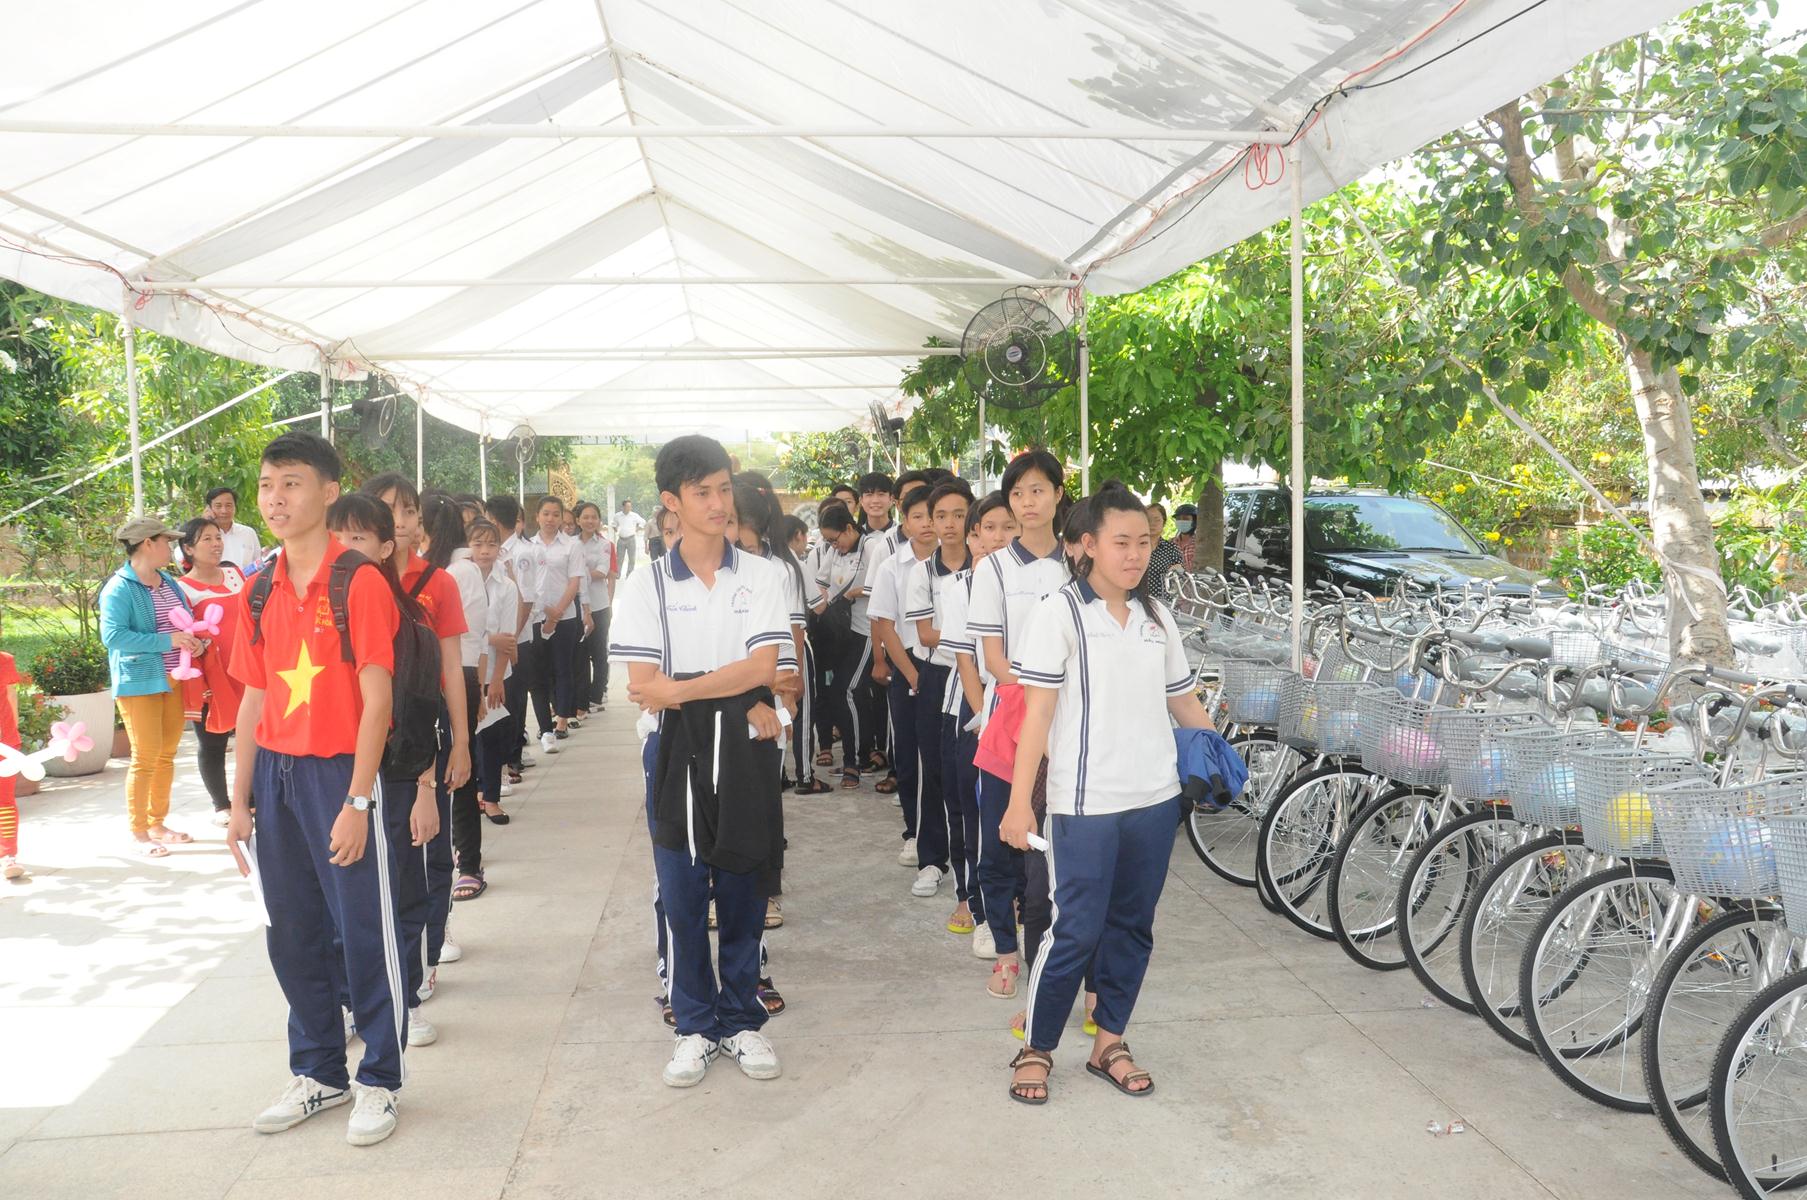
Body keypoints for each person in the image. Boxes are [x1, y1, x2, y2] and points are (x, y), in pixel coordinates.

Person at [999, 483, 1217, 1104]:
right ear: (1089, 545)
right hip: (1084, 804)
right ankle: (1037, 1047)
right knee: (1074, 929)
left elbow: (1182, 700)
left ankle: (1109, 1043)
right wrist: (1019, 803)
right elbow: (1036, 716)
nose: (1135, 554)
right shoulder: (1060, 613)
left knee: (1132, 926)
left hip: (1154, 800)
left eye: (1144, 541)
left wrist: (1219, 758)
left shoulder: (1157, 617)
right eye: (1121, 542)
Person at [224, 431, 408, 1146]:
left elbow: (378, 699)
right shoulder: (257, 587)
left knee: (363, 931)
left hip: (339, 774)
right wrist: (239, 803)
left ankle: (379, 1079)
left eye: (292, 483)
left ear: (329, 492)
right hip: (275, 776)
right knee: (292, 932)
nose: (275, 498)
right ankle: (319, 1072)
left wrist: (358, 801)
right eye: (267, 484)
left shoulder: (356, 580)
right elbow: (252, 697)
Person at [612, 435, 792, 1089]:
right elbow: (643, 686)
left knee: (744, 887)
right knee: (683, 893)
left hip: (744, 748)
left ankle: (741, 1019)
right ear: (671, 501)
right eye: (702, 492)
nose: (718, 503)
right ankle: (693, 1025)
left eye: (723, 489)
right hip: (674, 748)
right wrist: (732, 690)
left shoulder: (763, 575)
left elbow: (763, 667)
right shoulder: (647, 585)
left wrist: (684, 688)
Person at [324, 495, 444, 1050]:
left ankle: (406, 999)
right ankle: (351, 1000)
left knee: (399, 893)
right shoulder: (311, 611)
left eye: (358, 539)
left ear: (385, 548)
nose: (344, 551)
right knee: (339, 897)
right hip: (331, 772)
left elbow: (421, 708)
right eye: (337, 538)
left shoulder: (409, 619)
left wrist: (425, 788)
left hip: (392, 776)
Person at [965, 449, 1069, 999]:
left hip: (1070, 725)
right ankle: (1006, 955)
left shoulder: (1080, 562)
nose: (1028, 502)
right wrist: (1044, 689)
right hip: (1011, 721)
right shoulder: (994, 568)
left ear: (1058, 493)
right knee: (1001, 845)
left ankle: (1052, 964)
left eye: (1038, 490)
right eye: (1018, 493)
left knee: (1053, 854)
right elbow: (994, 659)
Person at [937, 491, 1015, 952]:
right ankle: (976, 904)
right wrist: (987, 717)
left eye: (1008, 528)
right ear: (974, 536)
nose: (997, 538)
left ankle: (1015, 902)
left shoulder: (1039, 580)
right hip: (978, 707)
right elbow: (967, 661)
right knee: (972, 807)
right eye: (988, 529)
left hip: (1027, 705)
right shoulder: (961, 587)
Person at [99, 514, 203, 857]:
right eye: (166, 541)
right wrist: (167, 641)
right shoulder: (119, 588)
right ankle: (139, 832)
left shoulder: (168, 582)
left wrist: (193, 641)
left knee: (166, 755)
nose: (171, 548)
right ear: (148, 543)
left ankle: (158, 824)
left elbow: (184, 622)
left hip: (173, 678)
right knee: (145, 757)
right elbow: (113, 636)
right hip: (138, 682)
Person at [903, 478, 975, 903]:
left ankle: (973, 864)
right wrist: (971, 638)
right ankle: (932, 859)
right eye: (941, 515)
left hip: (978, 678)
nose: (949, 524)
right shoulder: (922, 572)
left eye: (959, 515)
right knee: (932, 769)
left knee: (967, 773)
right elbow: (925, 634)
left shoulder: (985, 566)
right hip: (937, 677)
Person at [867, 483, 939, 866]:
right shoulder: (891, 567)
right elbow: (885, 624)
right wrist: (910, 674)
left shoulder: (960, 562)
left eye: (933, 515)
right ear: (905, 522)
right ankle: (914, 833)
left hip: (953, 667)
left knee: (945, 758)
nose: (927, 523)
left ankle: (949, 835)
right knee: (910, 759)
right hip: (909, 666)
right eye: (918, 516)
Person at [176, 517, 249, 826]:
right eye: (206, 539)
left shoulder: (235, 574)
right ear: (188, 548)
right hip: (211, 674)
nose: (216, 544)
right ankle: (221, 804)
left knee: (253, 736)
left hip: (247, 669)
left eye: (218, 537)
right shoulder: (182, 588)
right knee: (212, 741)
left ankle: (251, 799)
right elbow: (182, 630)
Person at [461, 519, 520, 864]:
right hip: (464, 669)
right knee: (468, 736)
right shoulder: (457, 578)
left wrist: (497, 679)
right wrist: (489, 638)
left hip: (495, 671)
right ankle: (473, 793)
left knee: (493, 735)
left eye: (491, 545)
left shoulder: (506, 586)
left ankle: (492, 798)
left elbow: (507, 638)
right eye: (478, 544)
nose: (484, 551)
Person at [522, 496, 584, 755]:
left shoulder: (572, 545)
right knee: (539, 673)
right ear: (537, 516)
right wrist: (546, 612)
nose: (550, 519)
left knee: (562, 668)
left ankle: (561, 720)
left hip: (565, 617)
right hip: (536, 618)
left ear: (562, 518)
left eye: (555, 514)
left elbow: (574, 581)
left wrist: (557, 613)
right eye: (546, 513)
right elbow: (527, 585)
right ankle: (544, 726)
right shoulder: (528, 546)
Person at [813, 502, 868, 790]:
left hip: (866, 631)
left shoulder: (872, 547)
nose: (835, 546)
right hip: (840, 633)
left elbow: (881, 586)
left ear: (849, 528)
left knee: (845, 691)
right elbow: (821, 584)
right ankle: (855, 756)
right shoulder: (834, 552)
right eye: (829, 542)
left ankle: (854, 762)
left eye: (835, 540)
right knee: (839, 694)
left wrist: (852, 594)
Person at [573, 501, 618, 717]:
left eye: (594, 517)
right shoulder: (571, 544)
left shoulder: (604, 545)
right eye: (586, 517)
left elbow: (602, 571)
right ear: (578, 520)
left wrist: (575, 575)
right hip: (576, 605)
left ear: (599, 521)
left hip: (599, 604)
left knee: (599, 652)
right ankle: (580, 697)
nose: (590, 521)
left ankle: (596, 695)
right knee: (580, 654)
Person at [0, 628, 22, 880]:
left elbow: (11, 697)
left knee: (4, 800)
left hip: (5, 746)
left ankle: (8, 855)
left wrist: (12, 740)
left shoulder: (5, 661)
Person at [207, 486, 262, 569]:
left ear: (235, 507)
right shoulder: (203, 536)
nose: (224, 511)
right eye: (218, 506)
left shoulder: (248, 533)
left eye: (228, 505)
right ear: (209, 508)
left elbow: (258, 563)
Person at [1140, 503, 1184, 595]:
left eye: (1157, 520)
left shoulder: (1171, 548)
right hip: (1135, 599)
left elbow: (1180, 574)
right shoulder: (1134, 546)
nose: (1152, 523)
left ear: (1164, 522)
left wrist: (1178, 569)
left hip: (1163, 600)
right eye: (1148, 519)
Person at [612, 499, 647, 576]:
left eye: (630, 506)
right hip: (621, 539)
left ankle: (629, 574)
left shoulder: (634, 515)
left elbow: (643, 522)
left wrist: (637, 529)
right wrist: (617, 531)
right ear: (623, 507)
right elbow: (613, 524)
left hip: (631, 539)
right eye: (627, 506)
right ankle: (617, 574)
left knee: (632, 558)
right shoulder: (617, 515)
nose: (629, 508)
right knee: (619, 558)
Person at [1173, 503, 1199, 572]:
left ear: (1194, 521)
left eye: (1186, 519)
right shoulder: (1170, 543)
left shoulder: (1200, 544)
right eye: (1178, 519)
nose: (1181, 521)